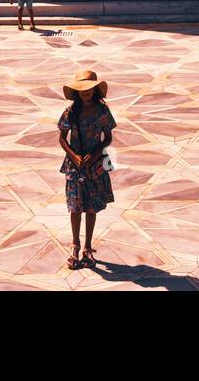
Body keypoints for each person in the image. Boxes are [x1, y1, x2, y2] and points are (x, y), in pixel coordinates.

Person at [58, 69, 116, 269]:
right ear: (76, 91)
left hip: (96, 164)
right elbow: (61, 137)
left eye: (89, 89)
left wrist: (98, 151)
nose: (86, 92)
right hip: (75, 166)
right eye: (82, 89)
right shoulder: (70, 112)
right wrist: (73, 155)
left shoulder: (103, 112)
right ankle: (75, 246)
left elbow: (108, 137)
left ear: (95, 90)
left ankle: (88, 248)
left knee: (91, 207)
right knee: (75, 207)